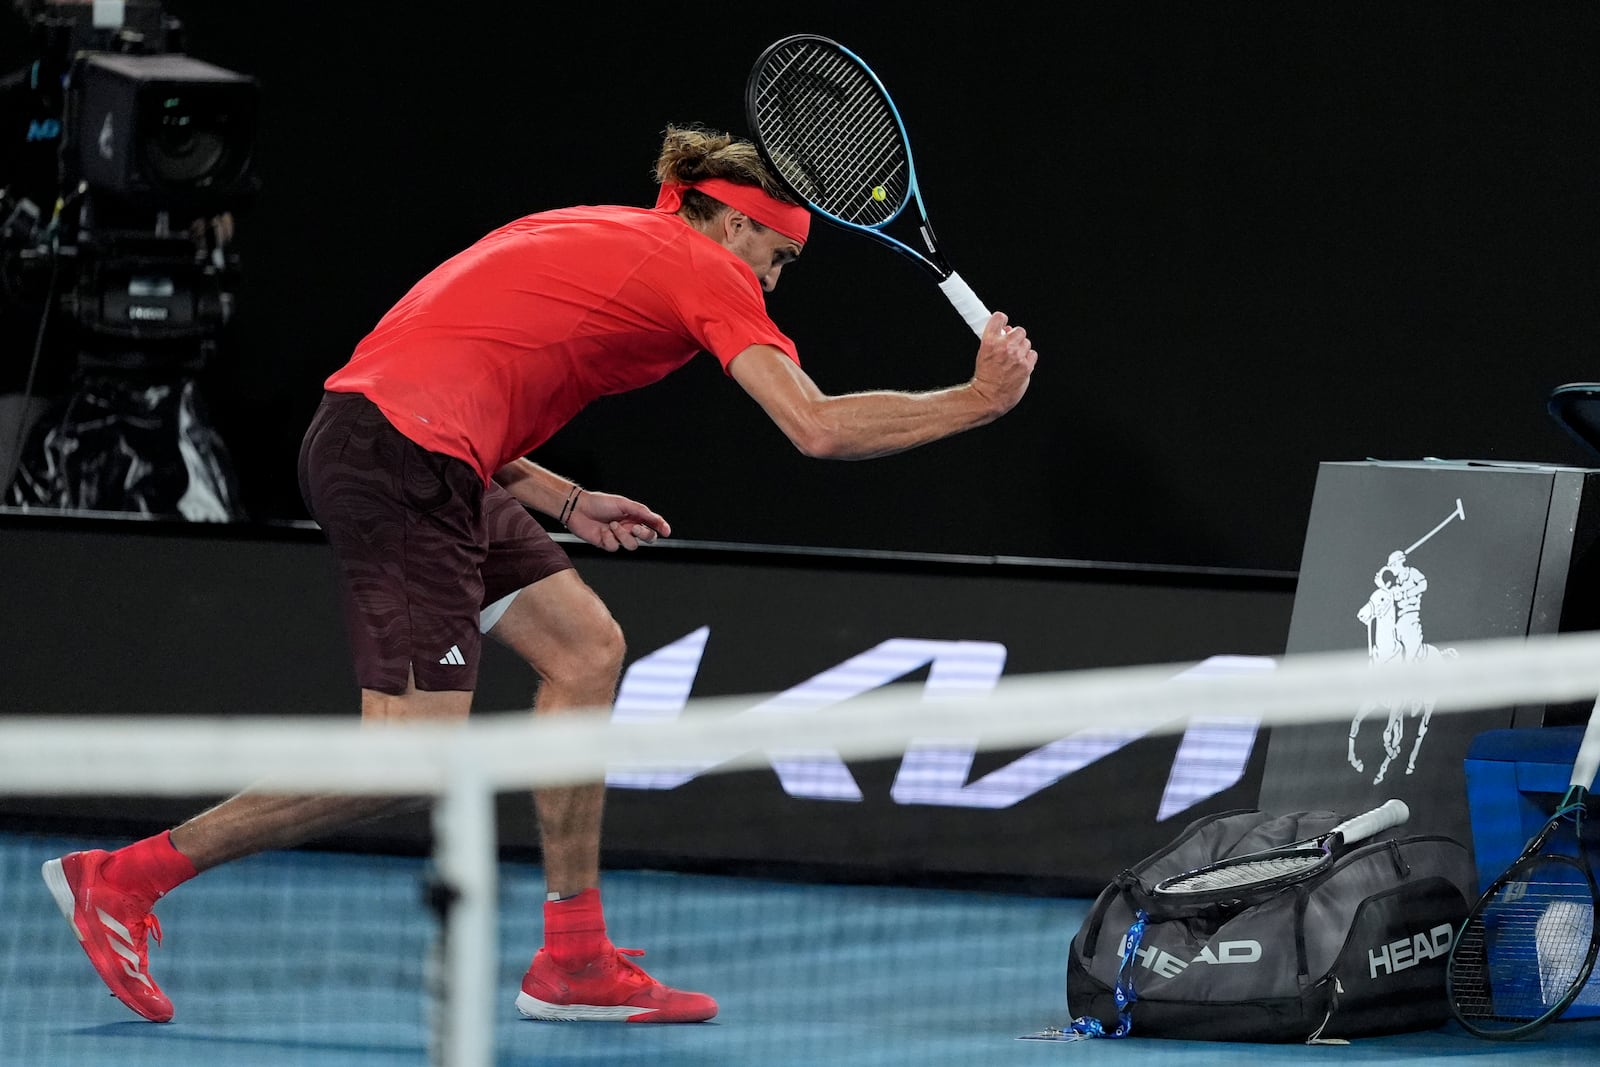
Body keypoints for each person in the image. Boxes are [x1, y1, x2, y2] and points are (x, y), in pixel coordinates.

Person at [41, 123, 1037, 1025]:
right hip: (402, 460)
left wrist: (564, 501)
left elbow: (450, 362)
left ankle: (573, 958)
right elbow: (814, 427)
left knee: (584, 649)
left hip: (411, 443)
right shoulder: (705, 268)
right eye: (777, 257)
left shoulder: (598, 231)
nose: (773, 282)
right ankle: (125, 877)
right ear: (731, 223)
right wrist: (976, 401)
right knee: (411, 758)